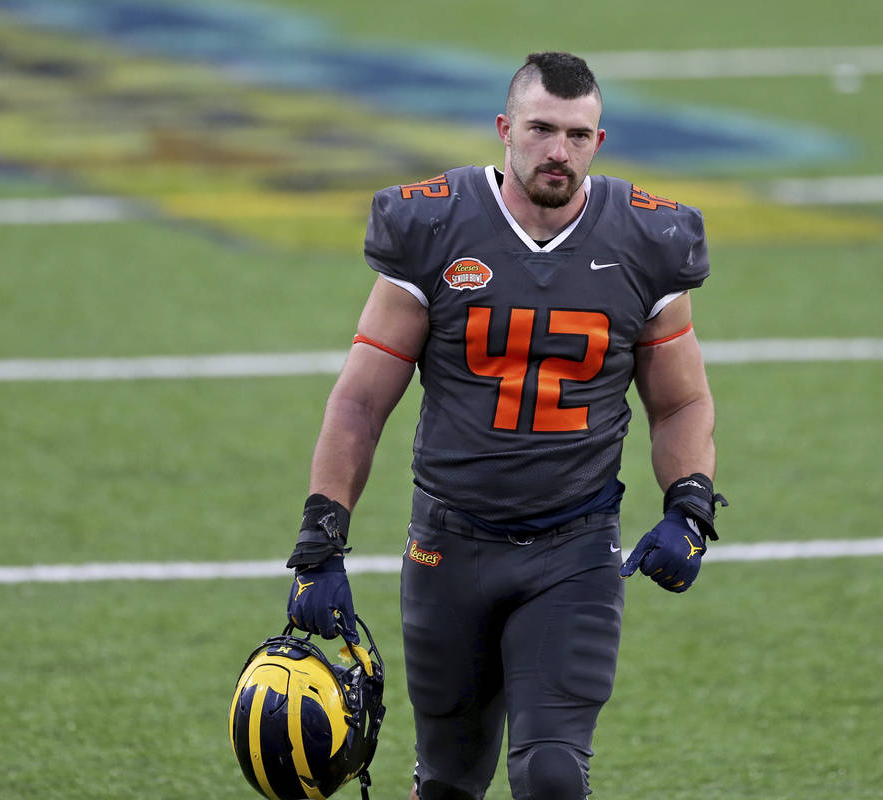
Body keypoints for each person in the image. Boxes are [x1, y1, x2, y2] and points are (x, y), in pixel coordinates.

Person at [284, 51, 725, 800]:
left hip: (575, 548)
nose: (560, 151)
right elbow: (361, 400)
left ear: (599, 140)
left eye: (579, 135)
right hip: (449, 546)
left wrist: (689, 502)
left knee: (553, 774)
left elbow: (679, 401)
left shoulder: (647, 241)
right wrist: (320, 541)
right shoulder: (434, 225)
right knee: (450, 782)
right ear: (504, 130)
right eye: (542, 129)